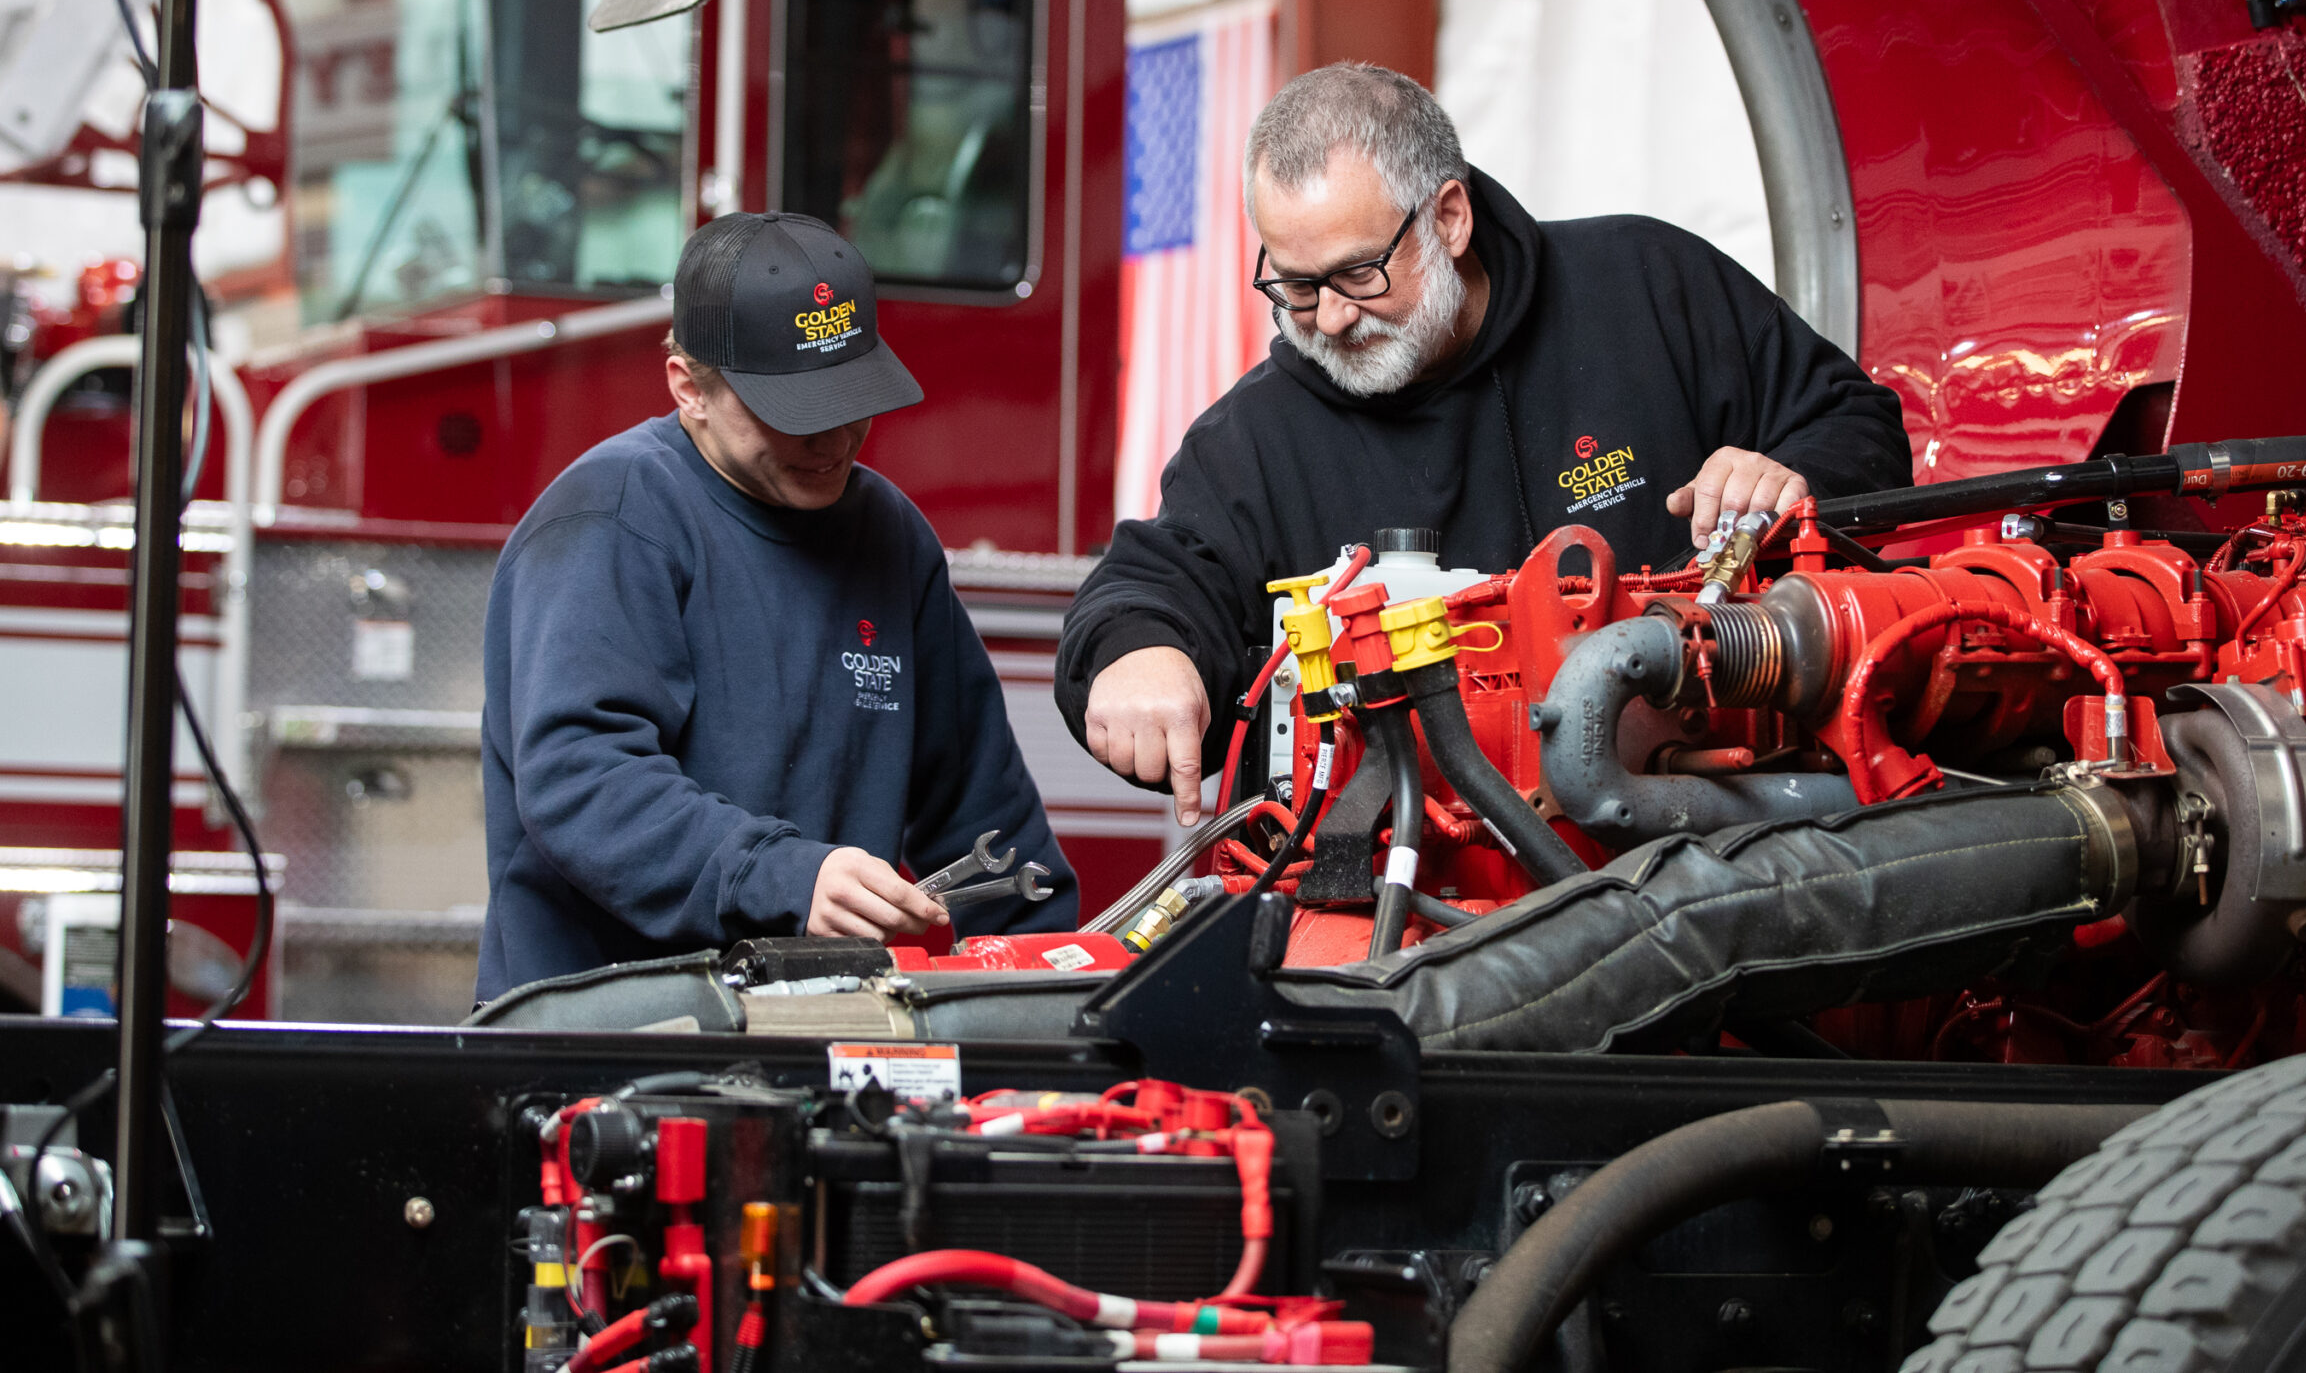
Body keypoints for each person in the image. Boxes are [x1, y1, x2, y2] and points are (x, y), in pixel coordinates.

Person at [1060, 63, 1910, 823]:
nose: (1330, 318)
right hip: (1428, 904)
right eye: (1294, 285)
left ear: (1451, 217)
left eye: (1360, 274)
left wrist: (1790, 477)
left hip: (1719, 824)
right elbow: (1154, 582)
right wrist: (1139, 652)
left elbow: (1860, 425)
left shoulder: (1650, 288)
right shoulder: (1252, 440)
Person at [476, 211, 1075, 1000]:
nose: (833, 441)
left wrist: (1051, 992)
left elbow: (984, 813)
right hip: (608, 1027)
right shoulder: (612, 518)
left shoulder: (890, 535)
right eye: (796, 413)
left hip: (812, 1023)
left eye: (851, 400)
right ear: (689, 386)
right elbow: (582, 779)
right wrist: (787, 873)